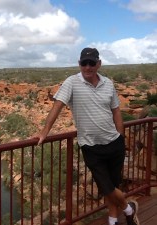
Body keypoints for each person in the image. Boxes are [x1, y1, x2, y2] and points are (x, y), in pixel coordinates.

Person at [33, 47, 139, 225]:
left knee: (112, 188)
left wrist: (121, 138)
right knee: (108, 187)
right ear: (79, 64)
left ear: (99, 64)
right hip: (91, 147)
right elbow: (57, 107)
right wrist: (44, 132)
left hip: (114, 143)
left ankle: (113, 222)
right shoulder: (72, 83)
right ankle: (129, 209)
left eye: (91, 63)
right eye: (84, 63)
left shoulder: (108, 84)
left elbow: (116, 112)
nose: (88, 67)